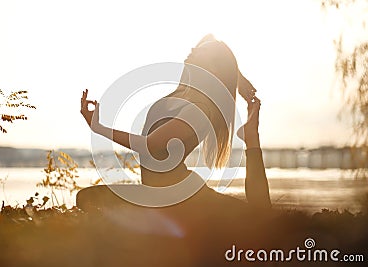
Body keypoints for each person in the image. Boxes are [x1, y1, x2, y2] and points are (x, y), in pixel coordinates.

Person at [77, 34, 271, 212]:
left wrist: (99, 128)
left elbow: (150, 145)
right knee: (86, 198)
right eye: (197, 48)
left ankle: (251, 137)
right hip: (155, 194)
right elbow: (209, 38)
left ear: (213, 68)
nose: (194, 50)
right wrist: (237, 77)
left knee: (260, 216)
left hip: (182, 198)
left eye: (203, 52)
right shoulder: (182, 95)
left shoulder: (201, 108)